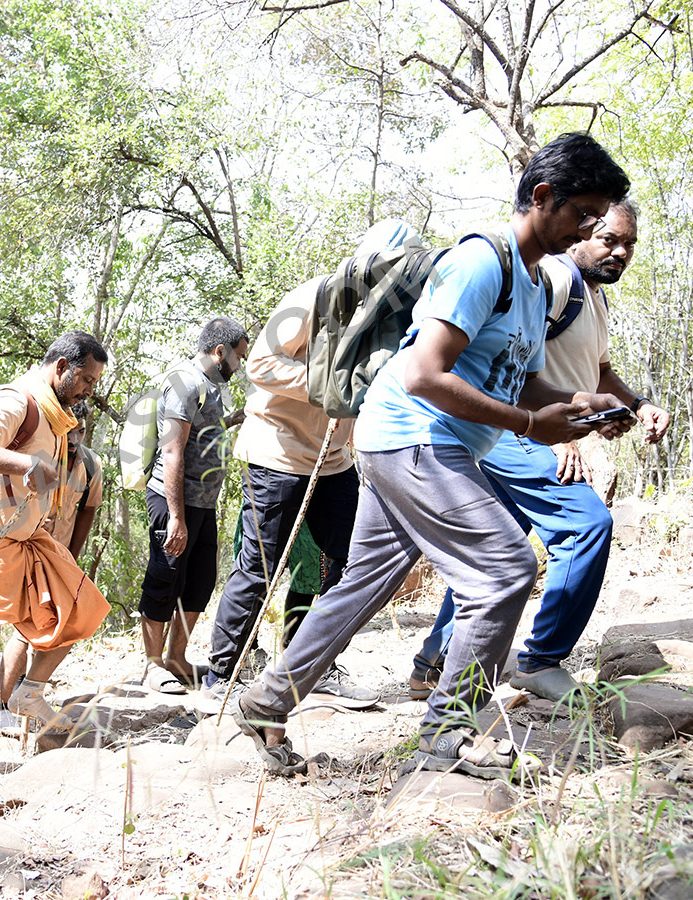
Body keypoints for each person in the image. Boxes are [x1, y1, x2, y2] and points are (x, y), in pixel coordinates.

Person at [230, 132, 632, 780]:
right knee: (504, 568)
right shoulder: (483, 262)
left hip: (415, 441)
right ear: (542, 195)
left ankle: (267, 700)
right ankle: (449, 734)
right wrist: (532, 425)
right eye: (583, 214)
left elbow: (517, 381)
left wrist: (579, 405)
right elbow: (423, 374)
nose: (589, 230)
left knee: (365, 583)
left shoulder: (535, 286)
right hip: (410, 433)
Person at [408, 200, 668, 702]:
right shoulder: (555, 280)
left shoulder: (592, 295)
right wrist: (558, 433)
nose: (620, 251)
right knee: (586, 526)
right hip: (519, 430)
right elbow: (514, 359)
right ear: (580, 233)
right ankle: (541, 660)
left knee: (495, 549)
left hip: (525, 432)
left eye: (629, 243)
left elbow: (599, 371)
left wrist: (638, 405)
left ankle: (434, 661)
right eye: (608, 238)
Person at [206, 230, 433, 709]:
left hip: (335, 460)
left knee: (342, 565)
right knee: (261, 568)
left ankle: (309, 665)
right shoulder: (314, 297)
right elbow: (261, 365)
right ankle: (222, 674)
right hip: (277, 453)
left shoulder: (399, 311)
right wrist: (330, 382)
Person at [0, 331, 111, 778]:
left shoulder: (56, 414)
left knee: (81, 608)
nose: (89, 390)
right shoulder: (17, 400)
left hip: (29, 541)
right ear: (62, 368)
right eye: (87, 380)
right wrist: (25, 465)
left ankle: (28, 692)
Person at [138, 317, 248, 695]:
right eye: (238, 357)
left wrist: (235, 420)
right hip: (174, 502)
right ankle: (152, 666)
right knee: (164, 578)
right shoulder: (185, 383)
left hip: (203, 503)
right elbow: (172, 450)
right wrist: (176, 517)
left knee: (200, 580)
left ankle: (176, 659)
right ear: (220, 352)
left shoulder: (210, 386)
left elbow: (203, 434)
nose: (240, 365)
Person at [0, 401, 104, 730]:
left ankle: (28, 692)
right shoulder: (40, 456)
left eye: (81, 431)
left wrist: (71, 557)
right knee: (25, 629)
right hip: (26, 549)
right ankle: (0, 705)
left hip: (58, 556)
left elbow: (88, 510)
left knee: (71, 620)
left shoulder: (91, 466)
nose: (75, 438)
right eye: (69, 431)